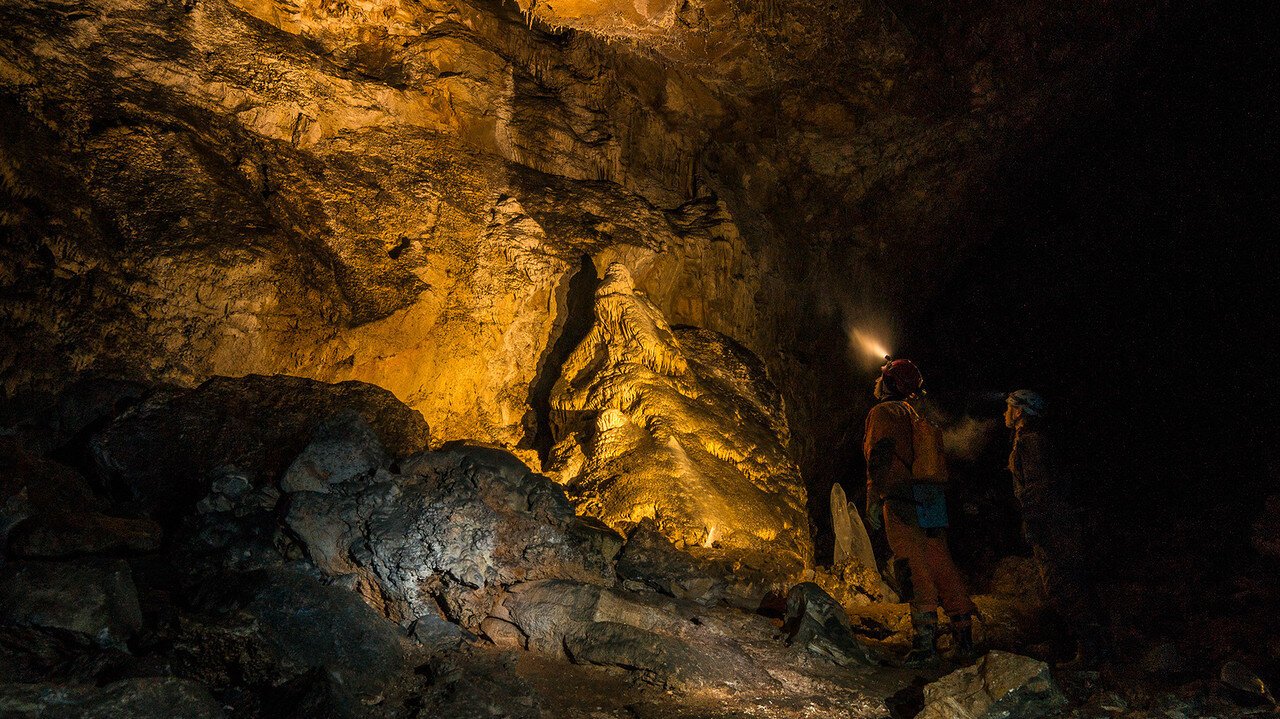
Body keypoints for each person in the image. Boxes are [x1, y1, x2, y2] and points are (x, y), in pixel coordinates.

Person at [864, 359, 976, 665]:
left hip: (903, 500)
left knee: (912, 567)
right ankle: (964, 638)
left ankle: (924, 645)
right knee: (941, 562)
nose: (877, 381)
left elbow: (880, 456)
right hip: (931, 497)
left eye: (882, 378)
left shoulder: (883, 412)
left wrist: (874, 498)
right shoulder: (917, 413)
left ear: (889, 384)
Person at [1004, 390, 1108, 667]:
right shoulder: (1035, 440)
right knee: (1068, 584)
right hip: (1059, 523)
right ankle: (1089, 648)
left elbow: (1038, 489)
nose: (1005, 412)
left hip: (1053, 526)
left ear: (1019, 412)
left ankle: (1089, 653)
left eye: (1009, 407)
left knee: (1063, 585)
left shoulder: (1030, 442)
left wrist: (1034, 524)